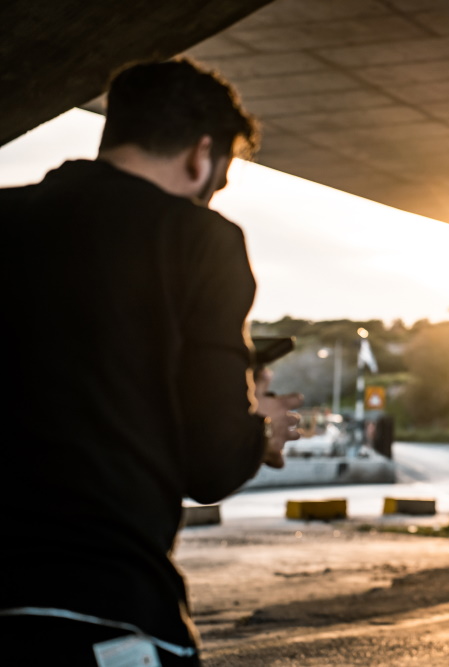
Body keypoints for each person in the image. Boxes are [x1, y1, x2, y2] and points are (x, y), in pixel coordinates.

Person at [0, 59, 303, 665]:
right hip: (101, 605)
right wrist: (257, 425)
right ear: (202, 156)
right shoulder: (199, 240)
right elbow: (210, 466)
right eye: (219, 180)